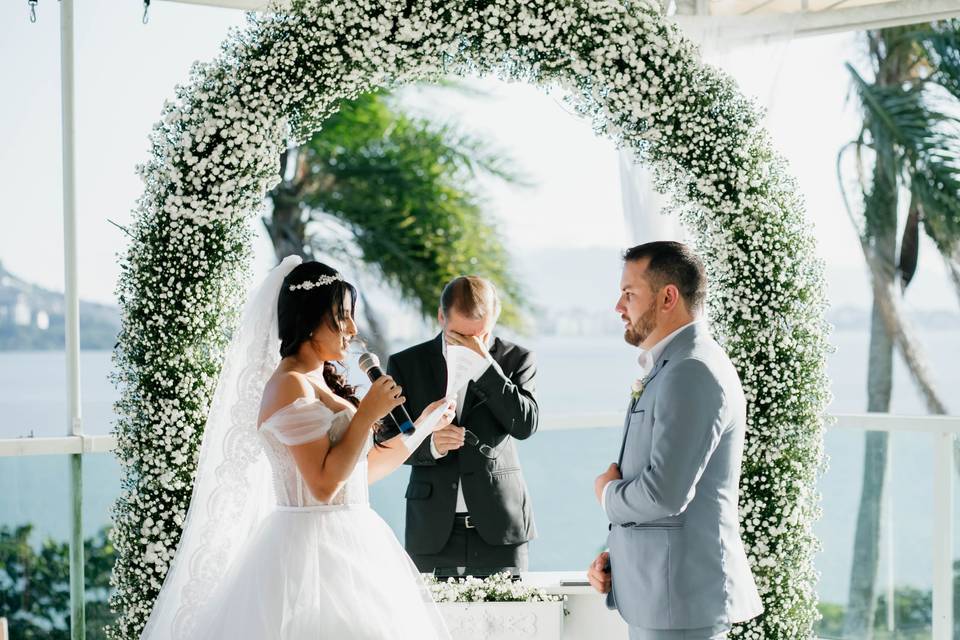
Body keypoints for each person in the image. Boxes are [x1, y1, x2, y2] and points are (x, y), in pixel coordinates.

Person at [139, 257, 455, 640]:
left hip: (355, 543)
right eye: (342, 317)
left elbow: (361, 471)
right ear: (308, 319)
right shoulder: (290, 384)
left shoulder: (318, 378)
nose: (353, 330)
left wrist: (423, 426)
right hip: (309, 552)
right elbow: (322, 486)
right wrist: (365, 413)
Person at [587, 241, 763, 640]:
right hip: (664, 596)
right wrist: (621, 556)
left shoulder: (692, 371)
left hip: (680, 602)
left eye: (629, 294)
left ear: (668, 297)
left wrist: (606, 495)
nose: (619, 307)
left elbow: (665, 494)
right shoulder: (675, 365)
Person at [387, 276, 538, 574]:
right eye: (460, 335)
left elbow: (525, 425)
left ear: (494, 318)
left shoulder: (517, 359)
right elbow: (388, 443)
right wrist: (429, 445)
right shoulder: (406, 364)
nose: (471, 344)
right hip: (431, 530)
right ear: (442, 317)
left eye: (480, 336)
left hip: (501, 528)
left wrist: (485, 365)